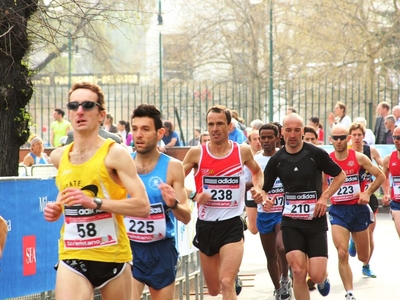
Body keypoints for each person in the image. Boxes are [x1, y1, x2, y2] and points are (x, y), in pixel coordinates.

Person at [43, 82, 150, 300]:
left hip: (112, 257)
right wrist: (57, 208)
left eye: (87, 105)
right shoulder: (58, 156)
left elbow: (143, 206)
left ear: (101, 115)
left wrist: (97, 203)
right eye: (74, 105)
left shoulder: (115, 154)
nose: (79, 111)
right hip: (72, 254)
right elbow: (69, 193)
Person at [182, 105, 264, 299]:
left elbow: (257, 172)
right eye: (211, 124)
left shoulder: (241, 152)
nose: (215, 128)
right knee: (213, 289)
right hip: (206, 226)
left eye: (220, 124)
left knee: (226, 283)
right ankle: (230, 275)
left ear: (229, 127)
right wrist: (193, 196)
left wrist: (258, 189)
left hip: (232, 224)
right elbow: (174, 182)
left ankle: (231, 276)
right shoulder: (196, 153)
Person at [262, 113, 346, 300]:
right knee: (298, 271)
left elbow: (341, 175)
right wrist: (265, 199)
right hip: (291, 222)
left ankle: (323, 277)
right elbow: (265, 189)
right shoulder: (277, 159)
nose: (293, 135)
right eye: (289, 130)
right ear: (282, 133)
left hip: (315, 221)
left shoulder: (315, 154)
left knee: (315, 275)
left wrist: (324, 197)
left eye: (297, 130)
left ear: (303, 131)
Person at [126, 104, 191, 300]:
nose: (138, 134)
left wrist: (173, 203)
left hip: (162, 249)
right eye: (135, 128)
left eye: (145, 129)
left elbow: (186, 216)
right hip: (130, 248)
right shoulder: (123, 164)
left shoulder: (173, 167)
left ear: (160, 132)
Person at [328, 124, 385, 300]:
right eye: (335, 138)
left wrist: (367, 192)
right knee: (342, 253)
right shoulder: (327, 161)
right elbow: (323, 185)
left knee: (363, 256)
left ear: (348, 138)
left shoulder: (359, 158)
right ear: (330, 140)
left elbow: (381, 175)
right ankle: (349, 292)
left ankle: (355, 239)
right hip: (338, 211)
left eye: (342, 137)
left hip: (358, 210)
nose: (338, 141)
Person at [245, 123, 291, 300]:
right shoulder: (255, 161)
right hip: (264, 213)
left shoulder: (286, 157)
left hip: (284, 210)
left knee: (282, 247)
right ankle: (278, 288)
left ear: (277, 137)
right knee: (271, 255)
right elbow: (247, 184)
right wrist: (255, 190)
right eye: (262, 137)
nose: (265, 141)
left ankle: (285, 278)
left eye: (269, 137)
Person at [347, 122, 383, 278]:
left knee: (369, 234)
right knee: (356, 231)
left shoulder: (370, 151)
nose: (356, 138)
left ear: (363, 136)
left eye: (359, 135)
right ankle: (354, 240)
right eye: (354, 135)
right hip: (351, 199)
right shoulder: (346, 153)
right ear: (350, 137)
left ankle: (366, 265)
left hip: (369, 197)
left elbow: (382, 170)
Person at [382, 126, 400, 237]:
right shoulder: (388, 159)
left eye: (399, 137)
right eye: (394, 137)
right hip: (397, 203)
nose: (396, 140)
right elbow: (384, 178)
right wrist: (386, 193)